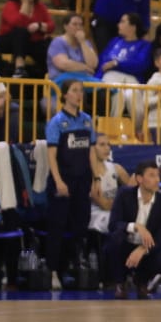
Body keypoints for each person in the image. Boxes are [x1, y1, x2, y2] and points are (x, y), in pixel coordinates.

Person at [44, 78, 94, 289]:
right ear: (65, 95)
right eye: (75, 90)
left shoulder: (86, 120)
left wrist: (96, 178)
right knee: (57, 227)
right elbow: (51, 155)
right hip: (63, 180)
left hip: (83, 180)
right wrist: (58, 182)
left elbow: (91, 151)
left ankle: (73, 268)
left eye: (81, 91)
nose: (79, 94)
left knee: (80, 226)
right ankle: (53, 270)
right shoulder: (56, 122)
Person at [105, 160, 161, 297]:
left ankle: (142, 282)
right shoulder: (124, 195)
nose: (157, 180)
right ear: (139, 179)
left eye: (158, 176)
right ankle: (120, 283)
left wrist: (143, 248)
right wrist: (135, 226)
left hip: (146, 249)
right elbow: (113, 224)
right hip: (126, 244)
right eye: (152, 176)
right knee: (114, 241)